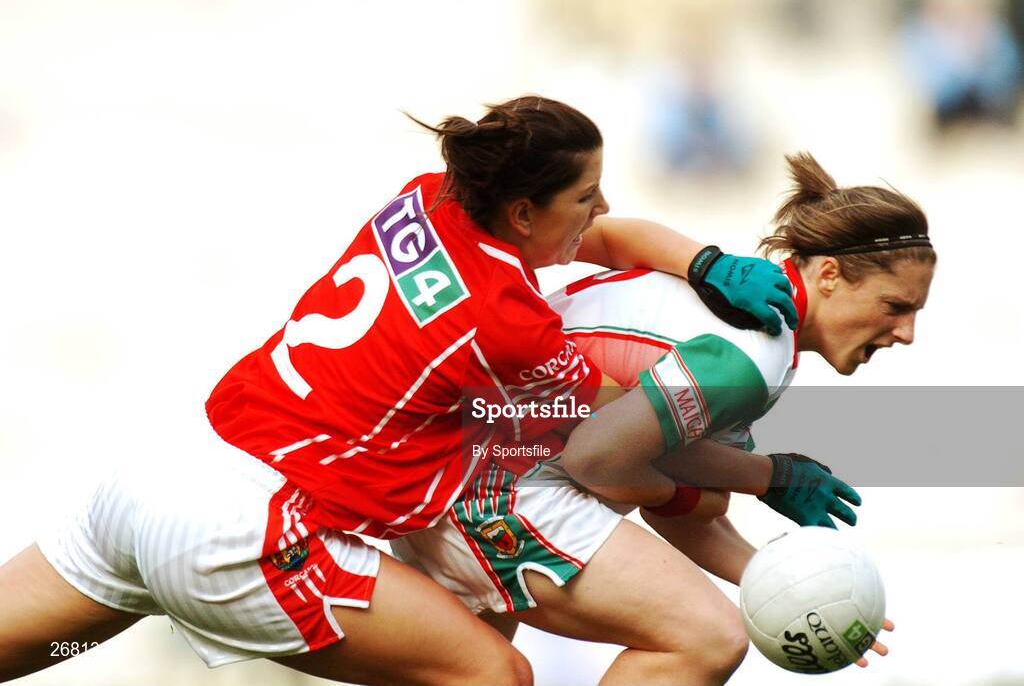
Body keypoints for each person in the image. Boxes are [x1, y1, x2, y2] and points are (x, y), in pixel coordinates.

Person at [0, 96, 797, 686]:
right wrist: (763, 476)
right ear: (522, 212)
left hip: (168, 475)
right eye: (587, 194)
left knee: (34, 646)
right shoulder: (507, 323)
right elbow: (632, 441)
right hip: (249, 531)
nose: (605, 208)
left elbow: (597, 241)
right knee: (494, 675)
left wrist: (700, 261)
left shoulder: (431, 197)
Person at [392, 152, 934, 685]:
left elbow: (647, 468)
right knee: (708, 638)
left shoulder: (749, 317)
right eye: (895, 307)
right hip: (496, 491)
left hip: (456, 474)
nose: (906, 333)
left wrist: (795, 590)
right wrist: (755, 478)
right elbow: (598, 457)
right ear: (832, 275)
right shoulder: (754, 352)